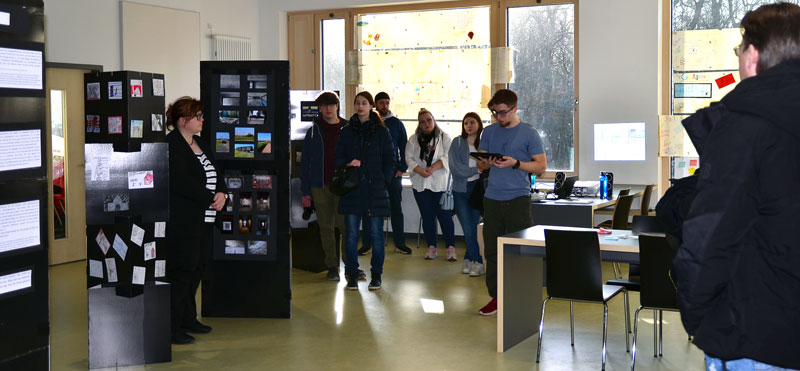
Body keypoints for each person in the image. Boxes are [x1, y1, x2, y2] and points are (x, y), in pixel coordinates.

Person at [672, 4, 800, 370]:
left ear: (753, 55)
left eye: (738, 50)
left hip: (755, 333)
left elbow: (710, 234)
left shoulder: (746, 126)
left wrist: (700, 318)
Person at [476, 89, 546, 315]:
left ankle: (521, 297)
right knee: (493, 252)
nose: (499, 117)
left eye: (503, 113)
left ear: (515, 109)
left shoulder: (529, 134)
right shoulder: (488, 132)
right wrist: (486, 162)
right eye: (495, 113)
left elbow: (541, 167)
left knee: (521, 251)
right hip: (492, 199)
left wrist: (516, 163)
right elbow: (481, 165)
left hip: (518, 199)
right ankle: (497, 297)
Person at [165, 97, 227, 344]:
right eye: (198, 116)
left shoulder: (199, 142)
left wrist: (222, 192)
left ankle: (189, 318)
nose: (202, 120)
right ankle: (172, 327)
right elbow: (181, 182)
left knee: (197, 269)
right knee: (181, 272)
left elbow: (215, 172)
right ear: (183, 121)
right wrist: (210, 197)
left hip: (205, 218)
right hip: (184, 220)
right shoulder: (171, 145)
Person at [300, 92, 365, 282]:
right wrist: (306, 192)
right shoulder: (313, 131)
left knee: (347, 228)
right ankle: (332, 266)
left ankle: (350, 266)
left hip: (344, 187)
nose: (328, 109)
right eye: (324, 105)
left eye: (331, 105)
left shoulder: (349, 128)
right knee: (326, 228)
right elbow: (305, 163)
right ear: (319, 108)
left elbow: (359, 156)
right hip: (320, 187)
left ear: (338, 106)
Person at [335, 91, 396, 290]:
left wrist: (383, 181)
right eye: (357, 103)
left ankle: (376, 274)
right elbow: (337, 158)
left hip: (375, 189)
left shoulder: (381, 131)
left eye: (364, 103)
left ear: (371, 106)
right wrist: (348, 163)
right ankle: (352, 273)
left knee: (377, 234)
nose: (360, 106)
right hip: (352, 190)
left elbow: (390, 159)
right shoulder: (346, 131)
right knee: (351, 234)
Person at [406, 108, 455, 260]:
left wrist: (433, 167)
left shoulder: (444, 137)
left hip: (440, 183)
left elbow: (448, 156)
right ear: (419, 124)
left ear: (434, 120)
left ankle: (450, 248)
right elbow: (408, 157)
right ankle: (432, 247)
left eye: (429, 120)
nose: (426, 124)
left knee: (445, 216)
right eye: (422, 122)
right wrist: (419, 170)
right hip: (421, 183)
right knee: (427, 216)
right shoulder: (413, 139)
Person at [448, 112, 485, 276]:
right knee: (467, 227)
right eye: (465, 123)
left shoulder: (484, 143)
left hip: (477, 190)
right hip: (460, 190)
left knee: (474, 226)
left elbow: (489, 165)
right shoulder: (457, 142)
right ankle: (478, 260)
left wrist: (481, 169)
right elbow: (456, 168)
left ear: (479, 124)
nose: (468, 126)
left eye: (472, 122)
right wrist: (475, 169)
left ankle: (468, 258)